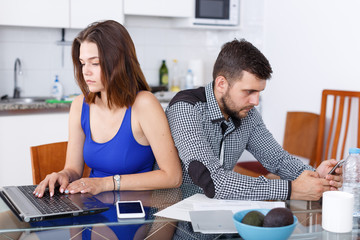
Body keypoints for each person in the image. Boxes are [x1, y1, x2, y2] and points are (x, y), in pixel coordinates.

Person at [165, 39, 341, 201]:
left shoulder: (247, 114)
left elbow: (278, 160)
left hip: (217, 211)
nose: (255, 101)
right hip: (172, 213)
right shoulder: (186, 109)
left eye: (259, 93)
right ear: (221, 84)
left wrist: (316, 175)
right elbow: (213, 182)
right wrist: (290, 189)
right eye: (249, 92)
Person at [33, 20, 182, 198]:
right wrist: (63, 175)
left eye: (94, 63)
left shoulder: (144, 104)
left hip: (133, 212)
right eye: (82, 63)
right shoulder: (80, 105)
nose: (85, 71)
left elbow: (172, 176)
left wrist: (105, 183)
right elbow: (73, 169)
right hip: (90, 206)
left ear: (118, 63)